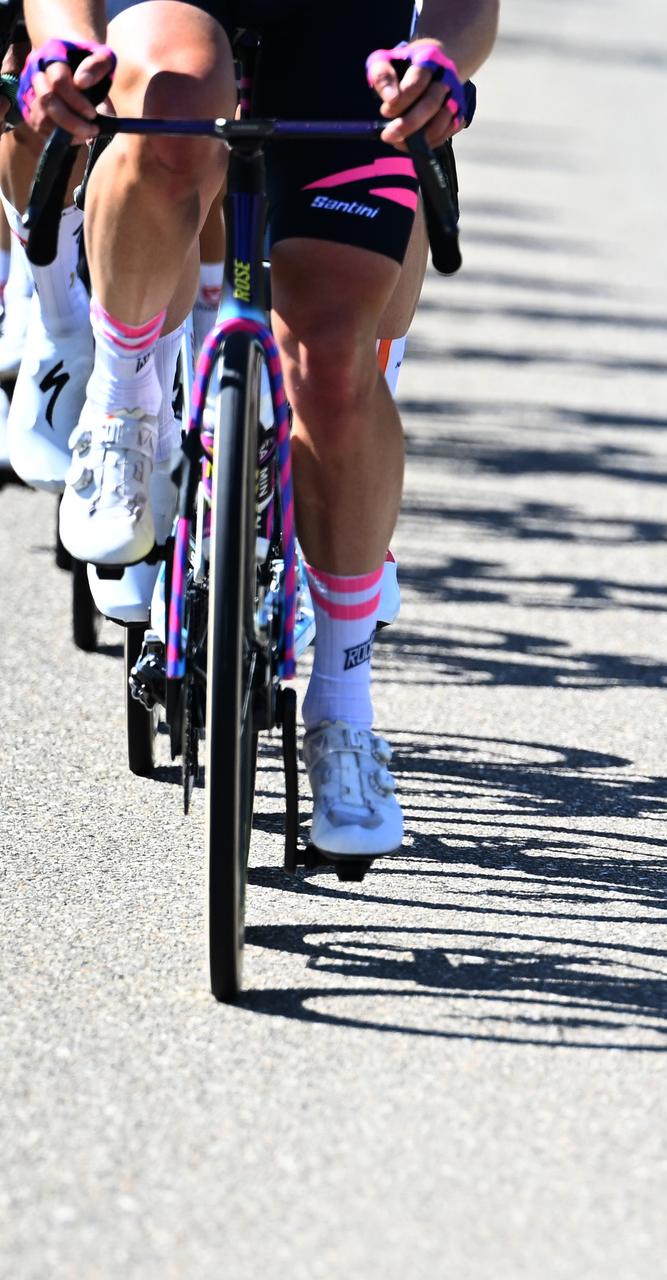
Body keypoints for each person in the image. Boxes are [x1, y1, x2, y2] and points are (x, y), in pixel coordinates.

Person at [15, 0, 496, 857]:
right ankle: (125, 403)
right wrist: (62, 45)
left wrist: (440, 59)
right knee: (175, 99)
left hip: (343, 29)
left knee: (334, 363)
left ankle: (344, 712)